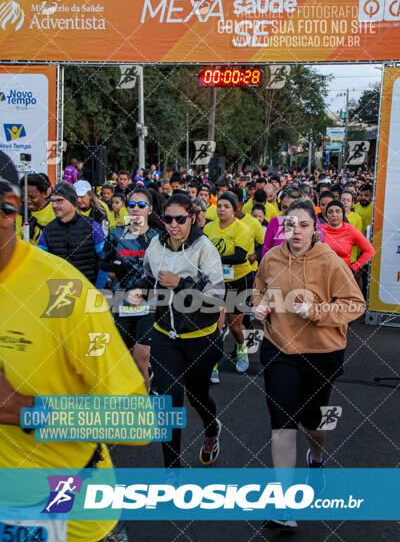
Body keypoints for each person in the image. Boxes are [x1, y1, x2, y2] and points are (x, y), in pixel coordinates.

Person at [0, 152, 147, 542]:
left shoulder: (62, 292)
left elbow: (135, 422)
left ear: (7, 212)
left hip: (74, 525)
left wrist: (24, 410)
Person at [253, 199, 366, 530]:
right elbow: (259, 291)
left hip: (323, 353)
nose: (296, 231)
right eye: (290, 225)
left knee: (314, 421)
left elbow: (355, 305)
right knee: (282, 423)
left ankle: (315, 459)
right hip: (279, 350)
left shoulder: (329, 261)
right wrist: (259, 307)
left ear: (314, 229)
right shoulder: (272, 258)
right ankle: (284, 504)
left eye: (303, 225)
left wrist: (315, 312)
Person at [128, 194, 225, 471]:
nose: (174, 225)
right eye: (168, 219)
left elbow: (216, 298)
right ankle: (173, 469)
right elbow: (148, 275)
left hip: (200, 338)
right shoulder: (155, 246)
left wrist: (180, 284)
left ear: (191, 218)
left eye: (180, 219)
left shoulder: (204, 248)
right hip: (165, 335)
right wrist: (139, 289)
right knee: (169, 402)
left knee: (198, 396)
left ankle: (211, 429)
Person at [100, 188, 160, 390]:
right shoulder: (116, 235)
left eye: (141, 205)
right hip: (121, 300)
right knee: (123, 357)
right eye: (132, 205)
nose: (136, 209)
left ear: (149, 210)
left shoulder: (158, 237)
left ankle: (144, 400)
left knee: (141, 357)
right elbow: (103, 263)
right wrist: (118, 267)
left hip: (149, 303)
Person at [204, 192, 254, 378]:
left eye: (226, 206)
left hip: (238, 280)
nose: (222, 209)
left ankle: (241, 348)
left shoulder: (243, 229)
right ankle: (213, 365)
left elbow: (239, 257)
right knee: (215, 326)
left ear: (235, 209)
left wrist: (213, 259)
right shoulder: (209, 229)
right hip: (215, 282)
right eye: (219, 206)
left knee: (234, 326)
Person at [37, 181, 108, 288]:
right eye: (52, 201)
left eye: (59, 201)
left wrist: (98, 290)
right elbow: (39, 264)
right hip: (59, 295)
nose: (54, 205)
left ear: (72, 201)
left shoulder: (93, 226)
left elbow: (105, 261)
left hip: (87, 291)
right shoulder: (48, 230)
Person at [262, 186, 325, 256]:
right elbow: (266, 253)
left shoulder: (311, 221)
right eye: (284, 207)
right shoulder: (275, 222)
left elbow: (320, 251)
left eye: (292, 207)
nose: (287, 211)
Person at [323, 199, 375, 274]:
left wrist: (354, 268)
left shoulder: (350, 230)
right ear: (326, 215)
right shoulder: (320, 230)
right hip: (323, 275)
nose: (334, 214)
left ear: (343, 214)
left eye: (337, 211)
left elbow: (369, 251)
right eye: (330, 212)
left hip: (343, 276)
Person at [15, 173, 54, 244]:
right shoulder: (19, 213)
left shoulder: (55, 211)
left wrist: (35, 232)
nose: (28, 201)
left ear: (45, 194)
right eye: (24, 197)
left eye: (32, 197)